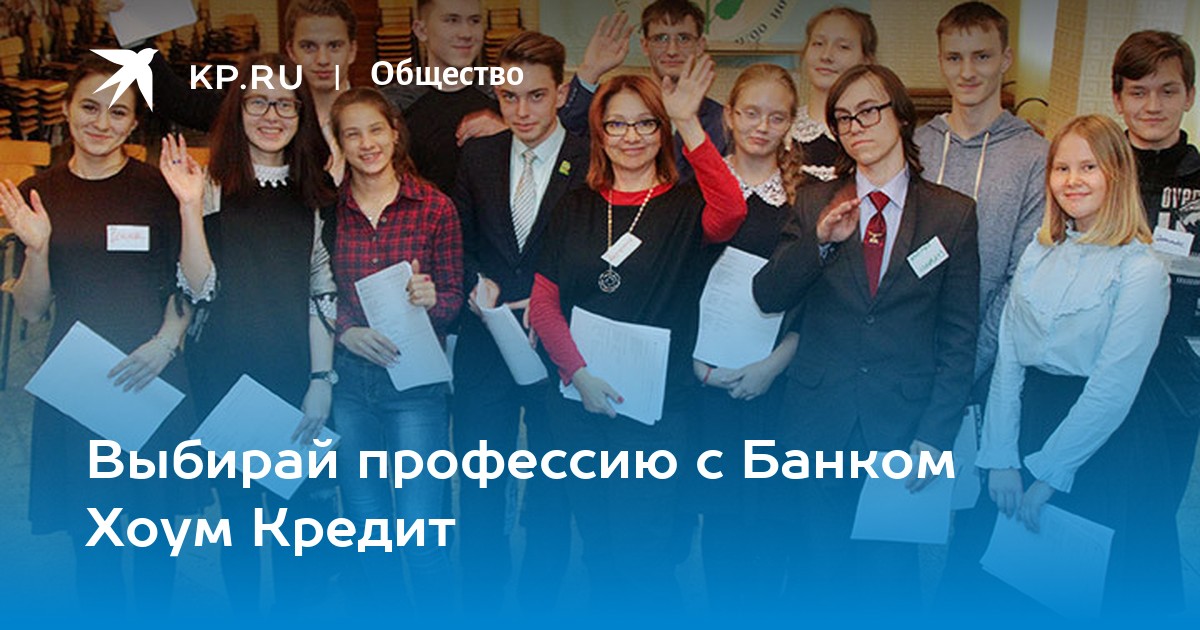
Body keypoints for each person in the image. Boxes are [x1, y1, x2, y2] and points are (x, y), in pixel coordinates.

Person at [752, 64, 979, 612]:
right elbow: (769, 294)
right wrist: (820, 243)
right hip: (818, 420)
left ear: (901, 116)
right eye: (843, 117)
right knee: (817, 576)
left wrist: (935, 437)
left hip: (902, 427)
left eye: (869, 111)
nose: (856, 126)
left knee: (888, 585)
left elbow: (959, 336)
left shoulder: (952, 214)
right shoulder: (814, 202)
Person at [528, 57, 746, 610]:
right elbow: (545, 304)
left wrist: (689, 121)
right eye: (618, 124)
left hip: (654, 412)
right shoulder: (574, 205)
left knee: (644, 553)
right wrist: (579, 375)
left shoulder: (686, 204)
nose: (631, 136)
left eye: (646, 123)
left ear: (661, 130)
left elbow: (732, 212)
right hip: (579, 403)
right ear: (600, 133)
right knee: (598, 548)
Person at [0, 53, 204, 617]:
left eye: (118, 112)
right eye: (89, 107)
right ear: (66, 109)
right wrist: (38, 249)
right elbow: (32, 310)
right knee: (93, 541)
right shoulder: (39, 193)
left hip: (153, 372)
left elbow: (193, 282)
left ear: (134, 122)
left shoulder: (160, 188)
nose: (101, 122)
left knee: (157, 536)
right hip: (79, 385)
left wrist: (167, 342)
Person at [162, 53, 340, 615]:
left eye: (286, 104)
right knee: (238, 524)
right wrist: (189, 208)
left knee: (295, 528)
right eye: (258, 101)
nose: (271, 115)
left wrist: (321, 380)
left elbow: (322, 290)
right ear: (237, 110)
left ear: (301, 114)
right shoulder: (210, 186)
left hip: (294, 374)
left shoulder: (316, 191)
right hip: (224, 377)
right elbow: (198, 287)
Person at [976, 114, 1172, 615]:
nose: (1072, 180)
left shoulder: (1142, 269)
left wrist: (1050, 474)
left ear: (1116, 174)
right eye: (1061, 168)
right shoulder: (1039, 252)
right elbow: (1008, 363)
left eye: (1088, 167)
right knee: (999, 584)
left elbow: (1113, 387)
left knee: (1073, 594)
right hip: (1027, 422)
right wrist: (1001, 456)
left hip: (1097, 443)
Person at [450, 31, 588, 613]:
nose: (522, 110)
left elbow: (602, 249)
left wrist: (552, 298)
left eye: (536, 95)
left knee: (555, 483)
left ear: (562, 92)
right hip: (487, 344)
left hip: (559, 342)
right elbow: (457, 242)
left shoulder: (591, 158)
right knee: (480, 481)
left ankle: (538, 604)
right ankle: (481, 602)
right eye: (509, 97)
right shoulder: (478, 156)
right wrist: (472, 280)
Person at [325, 86, 463, 614]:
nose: (367, 144)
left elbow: (453, 299)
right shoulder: (328, 210)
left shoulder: (435, 208)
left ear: (395, 132)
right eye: (352, 134)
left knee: (421, 532)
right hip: (350, 384)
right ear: (339, 143)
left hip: (416, 385)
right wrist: (345, 332)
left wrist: (433, 299)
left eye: (375, 130)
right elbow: (315, 293)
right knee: (368, 530)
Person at [689, 63, 804, 613]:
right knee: (721, 517)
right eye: (751, 113)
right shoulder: (696, 192)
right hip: (705, 381)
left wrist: (773, 367)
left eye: (776, 117)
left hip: (777, 384)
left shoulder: (808, 199)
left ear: (791, 124)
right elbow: (674, 286)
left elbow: (819, 303)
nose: (762, 126)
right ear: (729, 116)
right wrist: (694, 364)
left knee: (773, 517)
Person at [1111, 30, 1200, 612]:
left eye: (1167, 91)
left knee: (1151, 517)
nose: (1152, 105)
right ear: (1117, 98)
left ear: (1189, 96)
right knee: (1086, 508)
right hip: (1090, 369)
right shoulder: (1093, 169)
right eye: (1138, 91)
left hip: (1173, 378)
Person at [560, 0, 728, 181]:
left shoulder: (721, 121)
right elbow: (565, 135)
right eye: (661, 38)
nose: (672, 50)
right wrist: (589, 71)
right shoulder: (617, 105)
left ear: (700, 45)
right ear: (645, 46)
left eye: (683, 38)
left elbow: (724, 186)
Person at [382, 0, 503, 192]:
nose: (466, 33)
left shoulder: (506, 94)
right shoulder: (393, 103)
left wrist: (509, 133)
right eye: (452, 20)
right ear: (421, 30)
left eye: (474, 20)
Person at [787, 7, 877, 182]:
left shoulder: (874, 134)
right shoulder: (781, 128)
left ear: (866, 60)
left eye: (843, 47)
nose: (826, 56)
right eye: (818, 43)